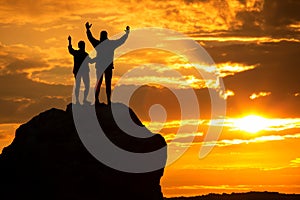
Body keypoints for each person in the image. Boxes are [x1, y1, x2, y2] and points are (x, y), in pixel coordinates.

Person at [85, 22, 130, 105]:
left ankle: (98, 100)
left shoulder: (99, 44)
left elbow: (90, 38)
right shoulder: (110, 44)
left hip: (101, 66)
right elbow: (121, 41)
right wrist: (126, 34)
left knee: (100, 83)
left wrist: (88, 30)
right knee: (106, 84)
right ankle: (107, 101)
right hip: (107, 66)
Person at [68, 35, 90, 105]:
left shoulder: (83, 54)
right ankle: (80, 100)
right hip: (80, 71)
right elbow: (70, 50)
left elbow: (70, 50)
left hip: (80, 71)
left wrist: (69, 41)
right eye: (83, 45)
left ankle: (82, 100)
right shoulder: (84, 54)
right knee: (81, 86)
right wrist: (69, 41)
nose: (83, 46)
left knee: (83, 85)